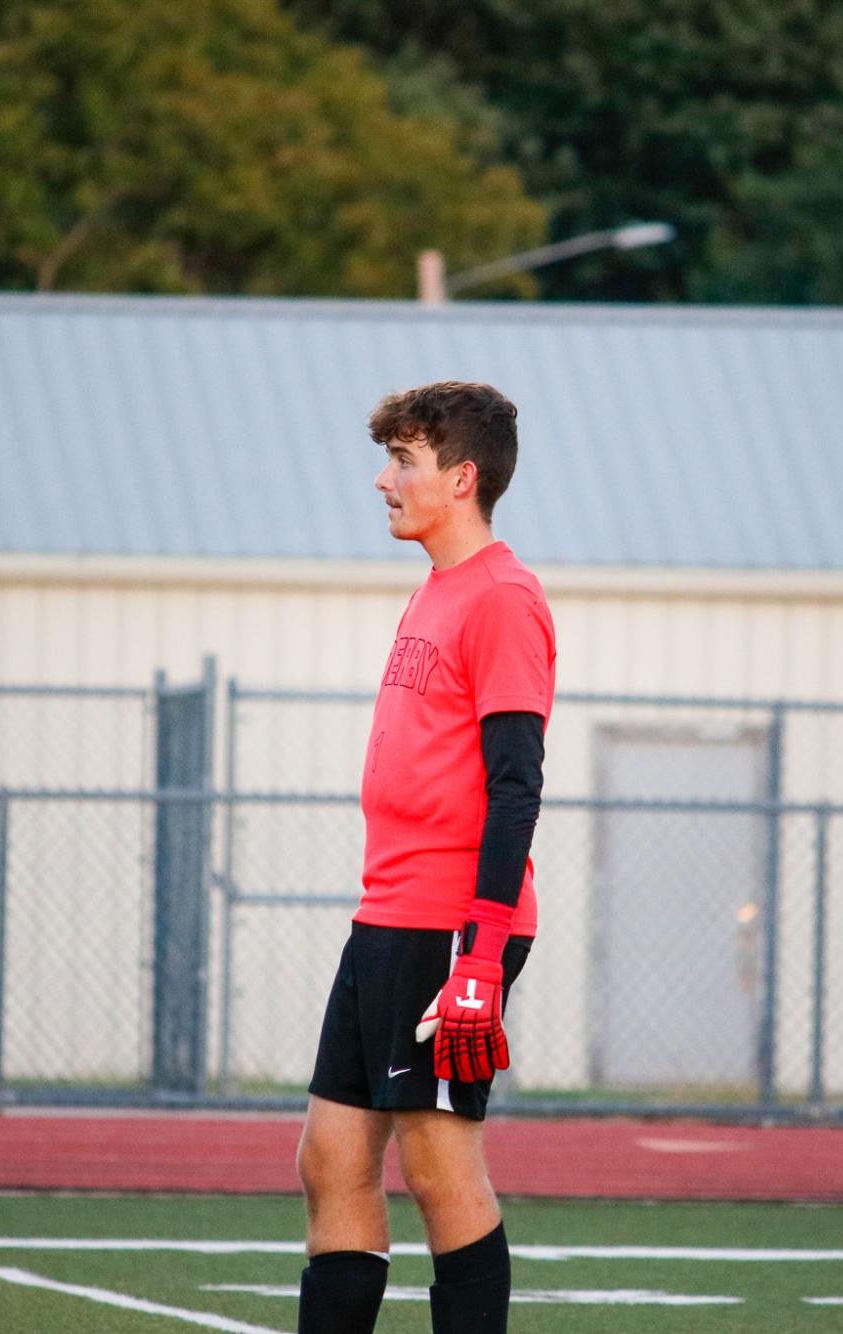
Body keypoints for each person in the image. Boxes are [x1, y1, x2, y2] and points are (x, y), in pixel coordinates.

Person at [296, 381, 556, 1334]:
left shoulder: (502, 598)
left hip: (450, 927)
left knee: (440, 1172)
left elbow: (516, 784)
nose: (384, 480)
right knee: (330, 1159)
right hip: (385, 915)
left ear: (461, 478)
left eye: (403, 461)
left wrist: (482, 958)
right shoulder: (437, 591)